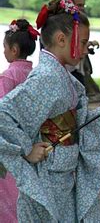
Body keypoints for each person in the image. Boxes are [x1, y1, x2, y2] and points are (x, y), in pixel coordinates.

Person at [0, 0, 100, 222]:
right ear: (61, 39)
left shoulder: (64, 78)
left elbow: (77, 121)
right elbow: (3, 115)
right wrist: (26, 149)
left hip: (63, 174)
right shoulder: (46, 77)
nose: (87, 49)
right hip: (47, 177)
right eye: (83, 42)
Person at [0, 19, 39, 222]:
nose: (4, 51)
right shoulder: (35, 75)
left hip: (11, 141)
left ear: (14, 49)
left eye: (5, 47)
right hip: (32, 140)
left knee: (7, 191)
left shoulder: (8, 76)